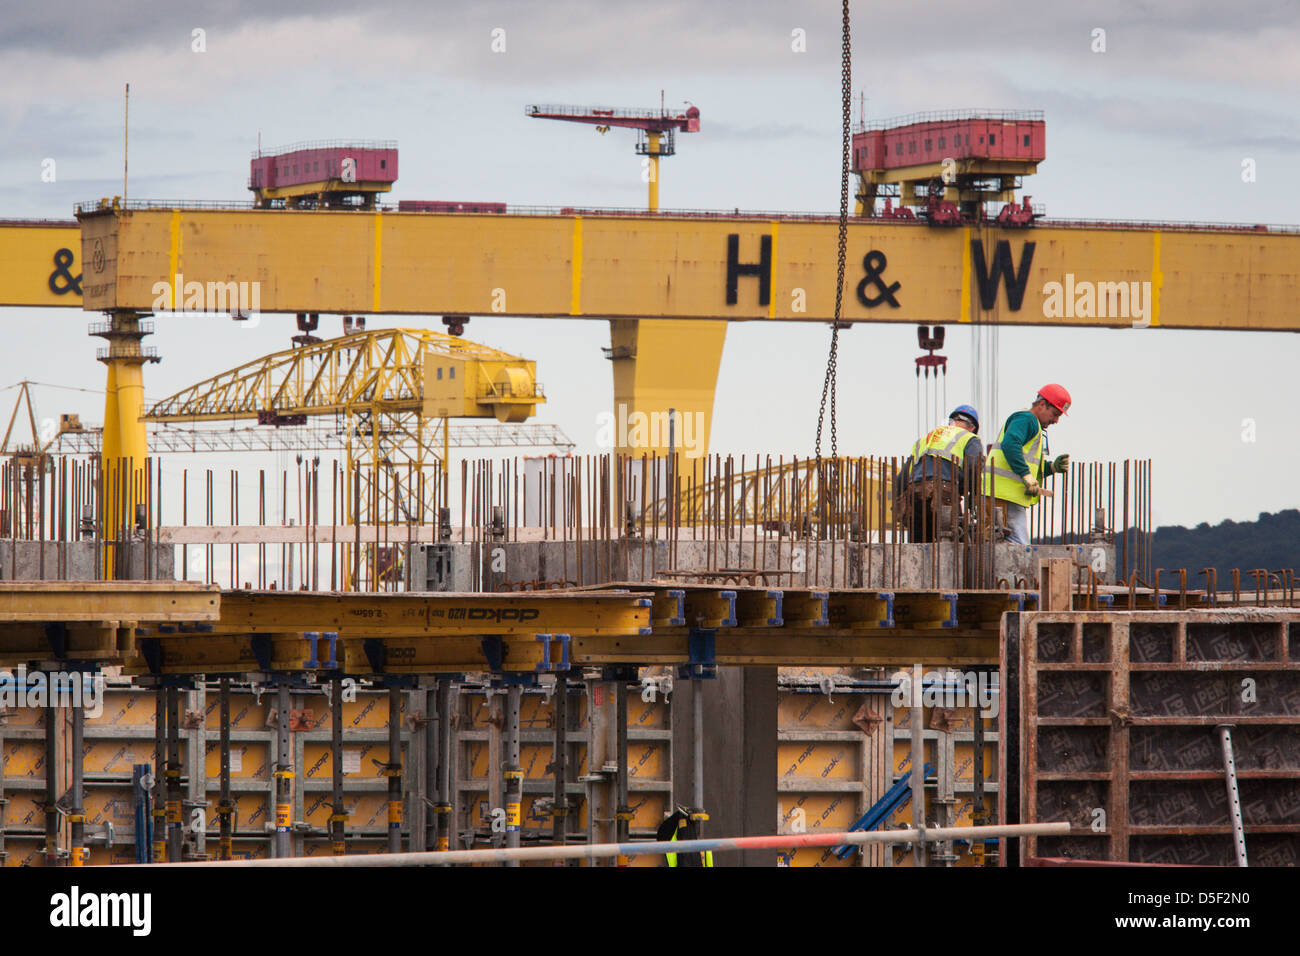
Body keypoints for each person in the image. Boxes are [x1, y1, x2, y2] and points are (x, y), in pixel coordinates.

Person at [982, 385, 1072, 545]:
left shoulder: (1032, 424)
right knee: (1016, 548)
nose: (1056, 421)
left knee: (1012, 547)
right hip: (1002, 496)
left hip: (1006, 496)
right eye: (1055, 414)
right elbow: (1010, 444)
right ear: (1042, 405)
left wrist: (1051, 468)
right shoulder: (1026, 419)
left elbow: (1028, 463)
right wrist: (1026, 475)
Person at [898, 405, 982, 542]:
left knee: (919, 546)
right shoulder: (969, 438)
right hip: (944, 492)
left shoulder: (925, 439)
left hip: (915, 494)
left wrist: (900, 503)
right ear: (973, 428)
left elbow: (902, 478)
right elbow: (974, 467)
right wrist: (972, 496)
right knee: (952, 543)